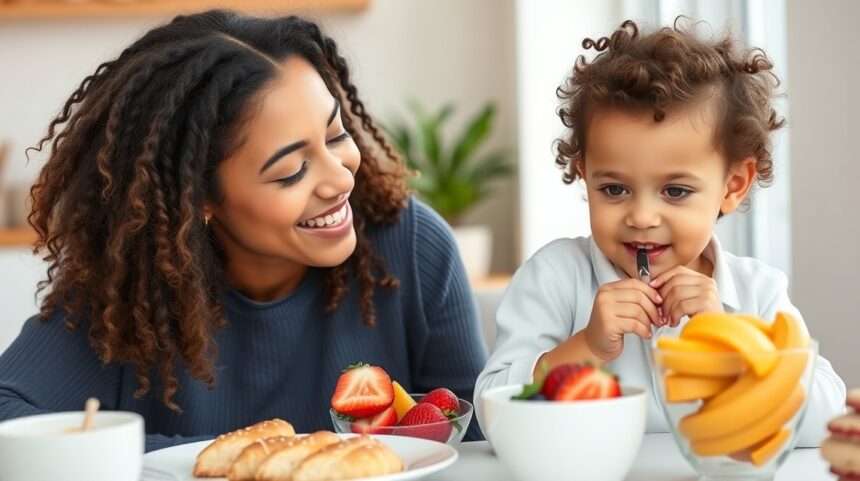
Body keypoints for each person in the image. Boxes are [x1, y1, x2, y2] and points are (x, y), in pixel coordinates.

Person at [0, 10, 487, 452]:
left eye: (336, 135)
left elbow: (476, 441)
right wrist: (241, 458)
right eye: (291, 171)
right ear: (201, 198)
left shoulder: (414, 246)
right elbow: (7, 414)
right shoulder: (128, 291)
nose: (340, 178)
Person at [475, 19, 845, 445]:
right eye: (614, 189)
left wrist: (732, 342)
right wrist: (586, 348)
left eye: (675, 190)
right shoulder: (555, 277)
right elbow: (490, 413)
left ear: (733, 185)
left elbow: (829, 417)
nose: (643, 216)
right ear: (584, 175)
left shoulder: (756, 292)